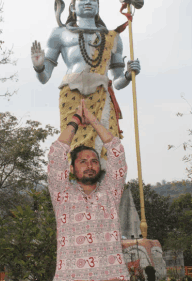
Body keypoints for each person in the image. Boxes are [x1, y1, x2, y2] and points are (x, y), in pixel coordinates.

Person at [31, 0, 141, 166]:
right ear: (73, 5)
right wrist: (39, 67)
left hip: (101, 95)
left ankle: (106, 189)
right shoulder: (60, 34)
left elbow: (117, 81)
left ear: (98, 5)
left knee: (107, 146)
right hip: (72, 96)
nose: (88, 2)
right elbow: (44, 77)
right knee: (74, 147)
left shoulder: (112, 37)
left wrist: (128, 74)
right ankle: (76, 189)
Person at [47, 99, 130, 281]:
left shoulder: (110, 193)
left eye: (94, 161)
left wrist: (93, 120)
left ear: (100, 167)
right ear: (71, 168)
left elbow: (117, 152)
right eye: (82, 162)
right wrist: (76, 119)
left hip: (113, 276)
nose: (89, 165)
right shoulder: (62, 196)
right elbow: (56, 153)